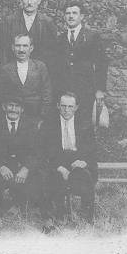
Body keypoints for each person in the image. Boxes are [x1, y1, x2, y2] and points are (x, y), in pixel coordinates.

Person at [0, 96, 43, 235]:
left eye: (17, 106)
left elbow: (37, 152)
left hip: (22, 166)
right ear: (4, 107)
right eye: (10, 105)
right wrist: (0, 166)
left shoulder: (30, 125)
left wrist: (26, 168)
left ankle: (26, 209)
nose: (13, 109)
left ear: (22, 109)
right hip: (2, 165)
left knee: (38, 177)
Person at [40, 92, 98, 228]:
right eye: (63, 106)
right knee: (47, 177)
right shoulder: (49, 125)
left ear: (76, 107)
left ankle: (87, 218)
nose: (66, 110)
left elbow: (92, 150)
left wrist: (83, 161)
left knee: (86, 176)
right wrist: (59, 167)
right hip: (57, 161)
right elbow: (44, 151)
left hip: (78, 160)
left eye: (70, 107)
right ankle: (53, 217)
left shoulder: (85, 124)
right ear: (58, 106)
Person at [54, 2, 107, 125]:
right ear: (64, 16)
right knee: (66, 122)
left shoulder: (92, 37)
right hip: (65, 89)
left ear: (81, 16)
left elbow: (101, 63)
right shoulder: (60, 39)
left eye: (74, 13)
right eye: (67, 13)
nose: (71, 16)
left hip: (85, 89)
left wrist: (99, 89)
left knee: (84, 123)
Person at [0, 34, 52, 124]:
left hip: (36, 115)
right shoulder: (6, 69)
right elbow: (3, 95)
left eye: (25, 46)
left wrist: (43, 117)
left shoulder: (40, 66)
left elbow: (47, 93)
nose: (21, 50)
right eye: (18, 46)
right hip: (14, 116)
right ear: (13, 48)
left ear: (31, 48)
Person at [2, 0, 58, 66]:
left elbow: (52, 52)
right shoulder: (9, 22)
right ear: (21, 0)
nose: (29, 2)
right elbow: (5, 50)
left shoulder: (47, 23)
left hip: (40, 72)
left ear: (39, 0)